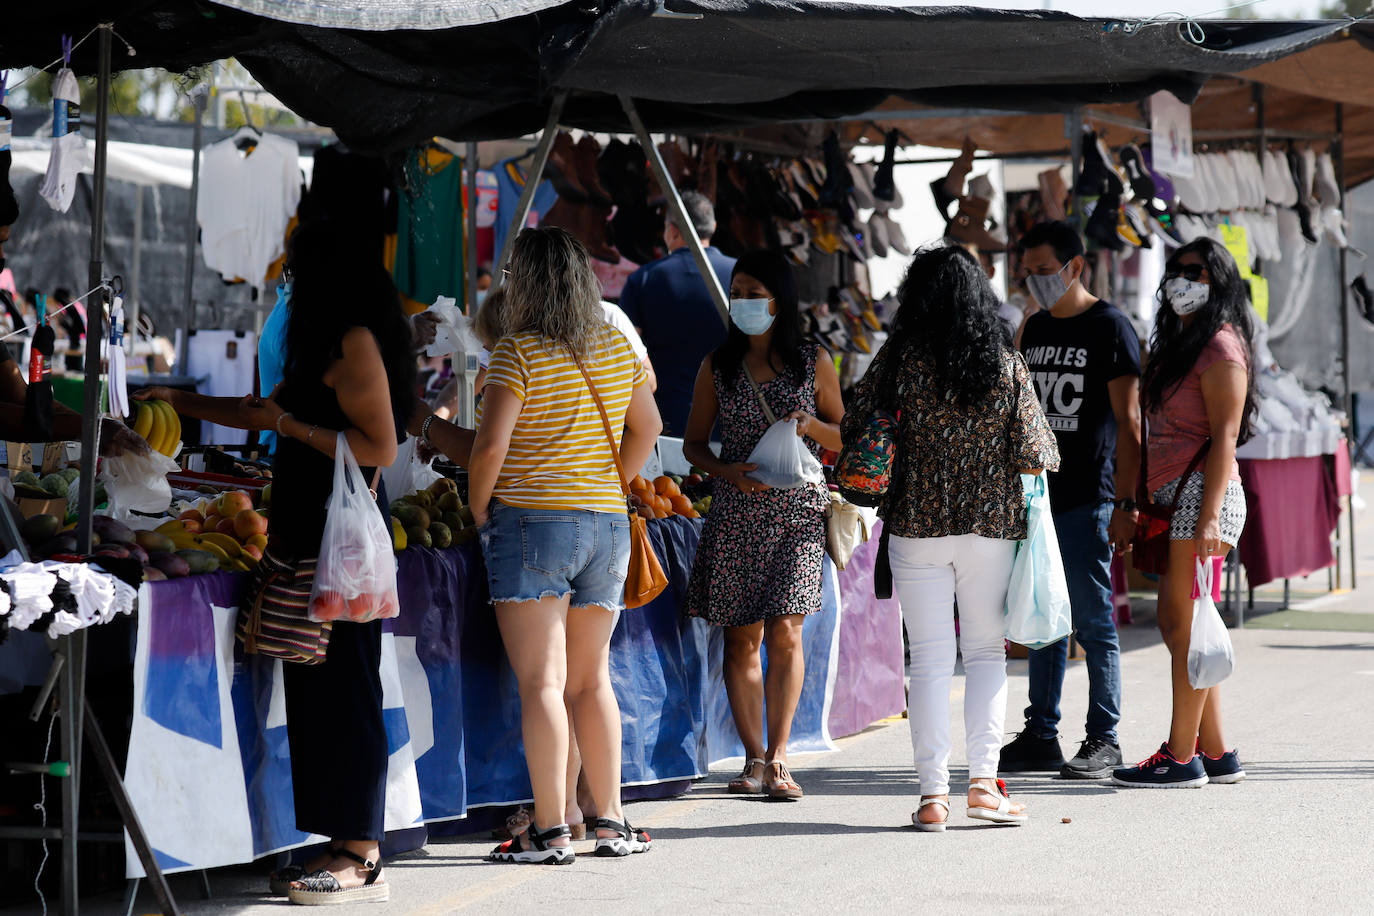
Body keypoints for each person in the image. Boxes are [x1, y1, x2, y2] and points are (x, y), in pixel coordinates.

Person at [138, 221, 415, 903]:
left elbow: (380, 446)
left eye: (296, 273)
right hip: (306, 536)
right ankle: (340, 837)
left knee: (347, 691)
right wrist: (179, 402)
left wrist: (290, 428)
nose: (288, 285)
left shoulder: (354, 342)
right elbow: (259, 411)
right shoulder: (318, 341)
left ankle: (363, 850)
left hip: (342, 543)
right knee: (316, 690)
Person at [842, 244, 1058, 831]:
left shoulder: (900, 359)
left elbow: (855, 421)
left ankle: (933, 797)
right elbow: (1036, 451)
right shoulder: (1004, 363)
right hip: (990, 528)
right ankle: (984, 786)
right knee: (985, 653)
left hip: (916, 526)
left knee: (931, 659)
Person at [469, 227, 661, 864]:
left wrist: (478, 507)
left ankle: (551, 831)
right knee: (592, 681)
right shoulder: (614, 344)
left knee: (542, 685)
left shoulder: (516, 352)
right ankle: (611, 822)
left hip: (531, 522)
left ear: (524, 283)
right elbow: (649, 426)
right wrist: (612, 482)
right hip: (607, 526)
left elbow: (489, 447)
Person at [682, 249, 844, 801]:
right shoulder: (718, 365)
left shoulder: (812, 361)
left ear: (780, 298)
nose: (744, 302)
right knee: (741, 638)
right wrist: (727, 471)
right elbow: (694, 444)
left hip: (798, 515)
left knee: (786, 632)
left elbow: (845, 434)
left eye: (755, 293)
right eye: (737, 293)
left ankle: (779, 757)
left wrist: (810, 426)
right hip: (737, 513)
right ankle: (753, 757)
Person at [999, 222, 1141, 780]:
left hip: (1089, 499)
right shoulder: (1032, 328)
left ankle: (1104, 738)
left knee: (1093, 623)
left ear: (1074, 266)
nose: (1034, 280)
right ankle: (1041, 734)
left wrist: (1126, 504)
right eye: (1028, 272)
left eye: (1043, 270)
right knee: (1044, 619)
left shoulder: (1110, 327)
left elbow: (1130, 423)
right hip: (1037, 500)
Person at [1113, 238, 1253, 789]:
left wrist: (1210, 517)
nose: (1181, 280)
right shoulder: (1180, 342)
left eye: (1195, 271)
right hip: (1175, 496)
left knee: (1182, 623)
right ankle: (1215, 752)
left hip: (1203, 495)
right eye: (1175, 270)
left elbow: (1225, 437)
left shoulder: (1221, 346)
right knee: (1183, 627)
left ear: (1219, 280)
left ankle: (1179, 755)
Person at [618, 190, 734, 436]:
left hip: (666, 421)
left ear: (672, 230)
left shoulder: (644, 279)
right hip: (732, 421)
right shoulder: (744, 278)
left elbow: (626, 356)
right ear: (713, 227)